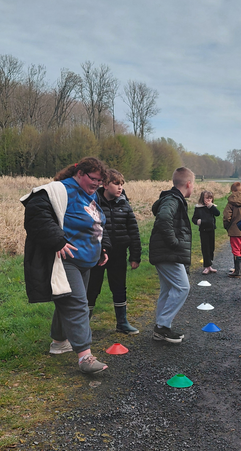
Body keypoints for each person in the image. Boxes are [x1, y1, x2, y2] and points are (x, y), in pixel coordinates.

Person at [21, 157, 111, 375]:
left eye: (100, 181)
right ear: (79, 173)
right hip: (65, 259)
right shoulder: (58, 190)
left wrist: (102, 248)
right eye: (93, 179)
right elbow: (35, 214)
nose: (96, 184)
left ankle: (59, 342)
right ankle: (85, 358)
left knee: (68, 300)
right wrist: (58, 241)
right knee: (78, 304)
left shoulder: (91, 194)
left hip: (86, 260)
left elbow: (97, 223)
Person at [86, 169, 141, 334]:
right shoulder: (93, 203)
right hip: (97, 254)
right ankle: (83, 325)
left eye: (121, 184)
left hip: (119, 254)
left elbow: (134, 232)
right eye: (116, 184)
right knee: (92, 288)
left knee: (119, 287)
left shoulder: (125, 204)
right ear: (105, 185)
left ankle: (122, 323)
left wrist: (135, 256)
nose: (120, 187)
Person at [149, 167, 195, 344]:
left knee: (168, 289)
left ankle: (160, 329)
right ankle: (162, 326)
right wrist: (174, 243)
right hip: (167, 253)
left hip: (164, 252)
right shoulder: (173, 199)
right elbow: (163, 218)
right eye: (193, 185)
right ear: (188, 184)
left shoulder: (173, 198)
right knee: (183, 287)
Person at [223, 181, 241, 277]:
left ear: (233, 191)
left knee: (236, 250)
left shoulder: (231, 203)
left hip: (235, 229)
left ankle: (237, 271)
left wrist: (227, 226)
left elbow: (227, 217)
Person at [192, 190, 220, 274]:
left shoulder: (212, 207)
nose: (209, 200)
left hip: (211, 229)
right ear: (202, 198)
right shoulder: (198, 208)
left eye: (210, 198)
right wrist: (198, 221)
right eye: (207, 198)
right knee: (205, 248)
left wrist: (211, 206)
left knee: (211, 247)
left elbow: (217, 213)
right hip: (203, 230)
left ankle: (209, 265)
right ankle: (206, 266)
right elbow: (194, 218)